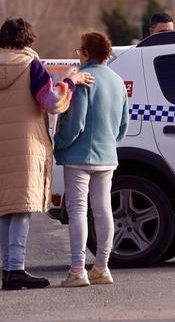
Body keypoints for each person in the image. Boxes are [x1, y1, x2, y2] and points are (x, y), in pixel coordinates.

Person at [0, 17, 93, 291]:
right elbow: (51, 102)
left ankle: (7, 270)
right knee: (22, 207)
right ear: (28, 40)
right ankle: (17, 269)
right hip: (26, 147)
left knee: (5, 208)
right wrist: (71, 81)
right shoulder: (31, 66)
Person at [53, 32, 129, 286]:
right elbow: (123, 126)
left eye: (79, 50)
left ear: (86, 53)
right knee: (103, 209)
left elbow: (76, 123)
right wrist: (109, 143)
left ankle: (77, 269)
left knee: (78, 211)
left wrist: (59, 143)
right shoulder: (118, 82)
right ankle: (102, 267)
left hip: (78, 155)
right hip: (107, 155)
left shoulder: (85, 79)